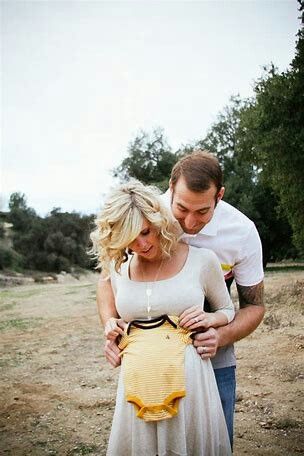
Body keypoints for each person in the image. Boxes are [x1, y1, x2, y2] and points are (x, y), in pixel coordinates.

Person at [98, 150, 265, 448]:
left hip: (212, 345)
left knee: (211, 436)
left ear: (220, 196)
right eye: (182, 208)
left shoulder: (241, 233)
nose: (189, 222)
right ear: (170, 189)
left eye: (202, 212)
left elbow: (254, 306)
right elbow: (108, 278)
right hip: (149, 355)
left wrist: (219, 335)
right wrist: (110, 326)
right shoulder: (145, 215)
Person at [91, 180, 235, 455]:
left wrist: (209, 319)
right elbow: (105, 288)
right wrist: (110, 326)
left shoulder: (202, 260)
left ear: (157, 221)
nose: (141, 244)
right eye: (130, 238)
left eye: (146, 232)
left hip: (190, 383)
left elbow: (227, 310)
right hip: (136, 384)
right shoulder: (119, 268)